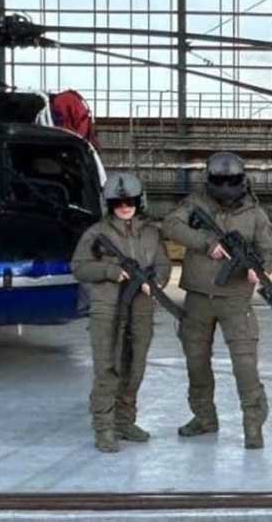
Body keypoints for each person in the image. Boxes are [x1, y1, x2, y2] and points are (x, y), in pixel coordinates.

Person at [162, 152, 272, 449]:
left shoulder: (255, 213)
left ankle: (253, 425)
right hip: (198, 298)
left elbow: (270, 250)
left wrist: (261, 269)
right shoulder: (195, 203)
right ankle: (204, 418)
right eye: (220, 181)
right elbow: (170, 225)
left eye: (231, 181)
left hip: (236, 301)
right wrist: (206, 242)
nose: (226, 187)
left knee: (245, 365)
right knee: (196, 361)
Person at [70, 173, 171, 453]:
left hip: (141, 308)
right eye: (118, 202)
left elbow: (163, 264)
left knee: (135, 367)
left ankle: (125, 421)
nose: (125, 207)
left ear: (140, 202)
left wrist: (157, 282)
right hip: (107, 309)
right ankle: (104, 428)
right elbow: (79, 267)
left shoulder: (151, 232)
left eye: (130, 202)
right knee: (107, 368)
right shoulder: (96, 233)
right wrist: (110, 271)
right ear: (109, 204)